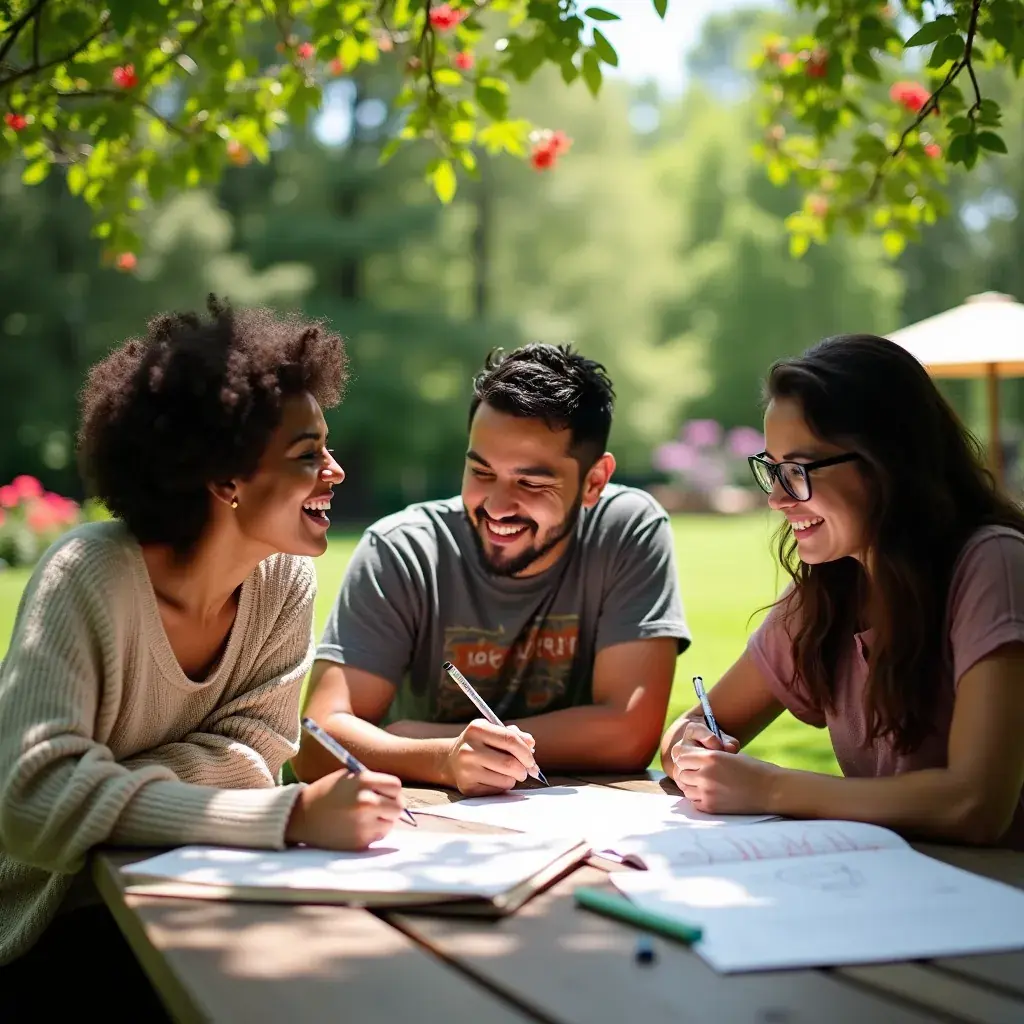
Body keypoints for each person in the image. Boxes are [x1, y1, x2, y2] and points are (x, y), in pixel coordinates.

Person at [0, 297, 406, 1012]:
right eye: (308, 454)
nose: (336, 471)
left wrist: (106, 785)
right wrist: (286, 818)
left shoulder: (284, 582)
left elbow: (256, 756)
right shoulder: (86, 576)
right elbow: (32, 804)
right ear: (226, 481)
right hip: (43, 932)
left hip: (181, 892)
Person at [661, 334, 1024, 849]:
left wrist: (771, 787)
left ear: (886, 462)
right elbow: (693, 723)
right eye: (772, 471)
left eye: (799, 471)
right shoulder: (830, 587)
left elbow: (977, 804)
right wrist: (690, 747)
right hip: (891, 894)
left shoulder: (993, 564)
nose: (778, 500)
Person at [295, 343, 690, 796]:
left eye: (531, 482)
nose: (498, 508)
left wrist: (416, 736)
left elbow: (628, 734)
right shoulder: (403, 550)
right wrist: (443, 758)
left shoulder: (627, 530)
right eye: (481, 473)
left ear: (594, 481)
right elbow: (317, 742)